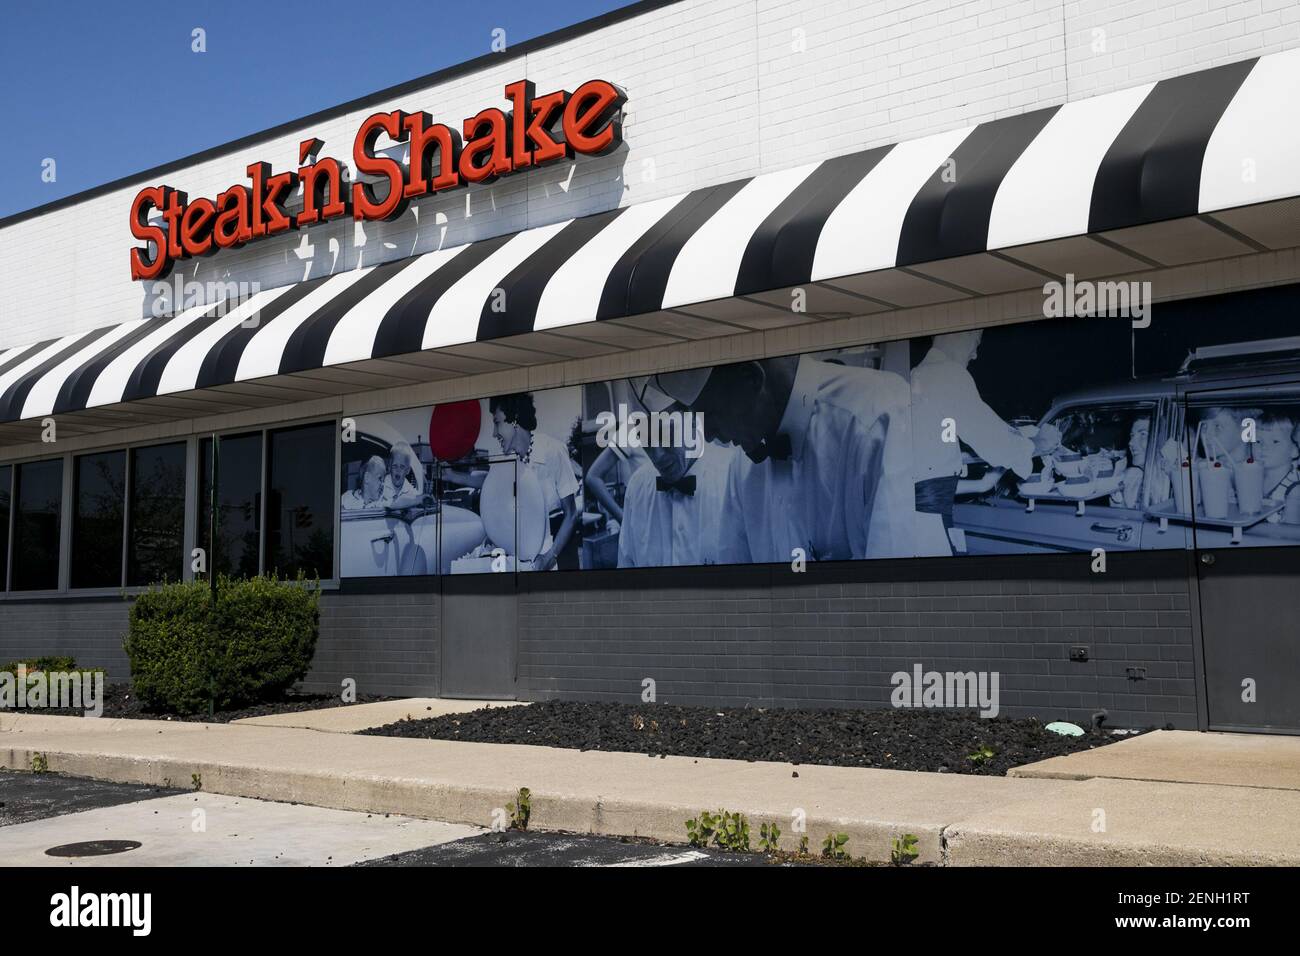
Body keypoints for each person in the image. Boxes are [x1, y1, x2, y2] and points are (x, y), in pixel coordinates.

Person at [649, 353, 915, 564]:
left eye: (713, 413)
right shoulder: (741, 469)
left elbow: (902, 594)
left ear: (751, 378)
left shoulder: (878, 416)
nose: (707, 435)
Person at [910, 331, 1060, 553]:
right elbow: (995, 442)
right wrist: (1039, 444)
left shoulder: (917, 374)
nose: (975, 354)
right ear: (959, 332)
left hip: (915, 516)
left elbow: (927, 473)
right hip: (930, 520)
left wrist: (985, 483)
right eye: (976, 342)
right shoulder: (947, 373)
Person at [615, 385, 735, 568]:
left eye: (667, 435)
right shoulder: (637, 487)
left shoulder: (733, 476)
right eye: (645, 440)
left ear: (693, 417)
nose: (658, 456)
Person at [490, 392, 579, 571]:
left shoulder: (553, 450)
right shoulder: (508, 462)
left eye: (497, 423)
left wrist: (550, 558)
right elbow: (488, 484)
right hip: (526, 554)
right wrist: (451, 475)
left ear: (514, 420)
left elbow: (571, 514)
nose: (494, 433)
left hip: (559, 553)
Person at [383, 440, 424, 507]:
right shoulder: (381, 485)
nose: (398, 470)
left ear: (408, 470)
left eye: (402, 467)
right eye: (394, 466)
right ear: (390, 467)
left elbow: (418, 497)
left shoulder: (410, 490)